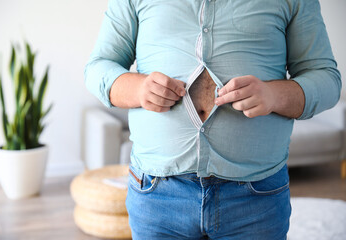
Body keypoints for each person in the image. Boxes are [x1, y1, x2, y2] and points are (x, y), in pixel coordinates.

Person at [84, 0, 341, 239]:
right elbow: (98, 67)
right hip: (157, 193)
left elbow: (327, 79)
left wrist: (273, 95)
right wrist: (139, 89)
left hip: (256, 198)